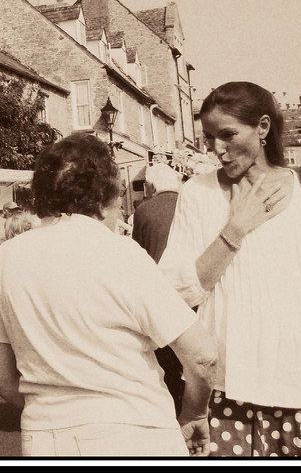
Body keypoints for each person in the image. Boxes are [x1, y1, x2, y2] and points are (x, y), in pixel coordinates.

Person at [160, 81, 301, 457]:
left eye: (227, 135)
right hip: (230, 387)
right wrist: (234, 229)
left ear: (264, 128)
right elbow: (176, 291)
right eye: (208, 137)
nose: (216, 149)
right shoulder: (198, 193)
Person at [0, 134, 218, 457]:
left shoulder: (6, 257)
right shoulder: (120, 253)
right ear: (103, 198)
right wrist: (195, 413)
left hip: (45, 438)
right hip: (133, 431)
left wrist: (62, 415)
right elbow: (203, 355)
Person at [131, 162, 186, 415]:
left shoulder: (144, 211)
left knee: (167, 356)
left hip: (160, 293)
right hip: (195, 290)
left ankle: (173, 406)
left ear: (152, 186)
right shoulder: (191, 205)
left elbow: (138, 255)